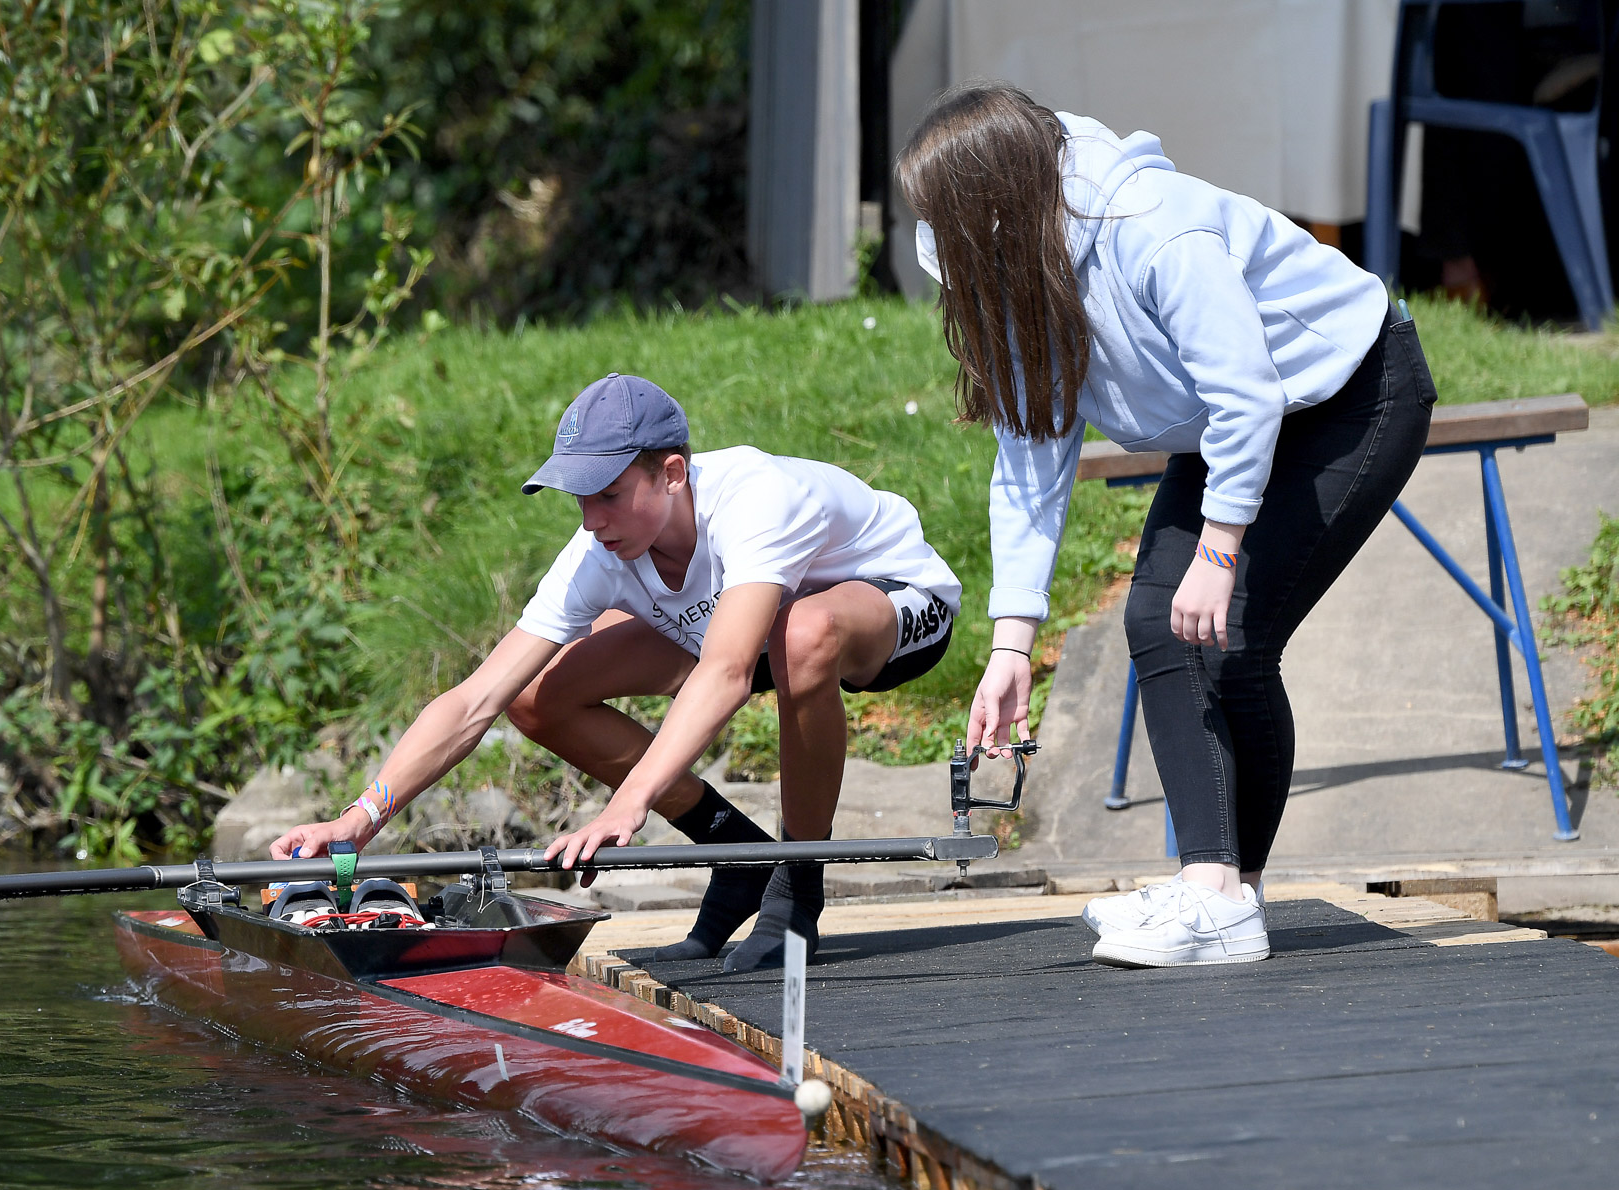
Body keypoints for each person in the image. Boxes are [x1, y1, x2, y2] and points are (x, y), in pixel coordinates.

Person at [895, 83, 1435, 967]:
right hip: (1227, 421)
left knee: (1232, 632)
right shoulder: (1024, 266)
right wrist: (1010, 645)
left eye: (942, 222)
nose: (936, 248)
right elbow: (1032, 457)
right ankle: (1221, 892)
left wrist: (1220, 550)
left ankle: (1217, 895)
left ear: (992, 205)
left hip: (1349, 391)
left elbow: (1248, 393)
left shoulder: (1155, 229)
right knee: (1157, 617)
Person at [267, 373, 962, 972]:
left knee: (802, 633)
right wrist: (359, 818)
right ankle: (737, 850)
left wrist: (629, 800)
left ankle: (797, 884)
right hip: (753, 625)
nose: (592, 519)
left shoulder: (756, 498)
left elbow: (722, 673)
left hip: (892, 602)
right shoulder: (598, 549)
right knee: (539, 695)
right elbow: (479, 697)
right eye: (579, 498)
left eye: (608, 494)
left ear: (672, 473)